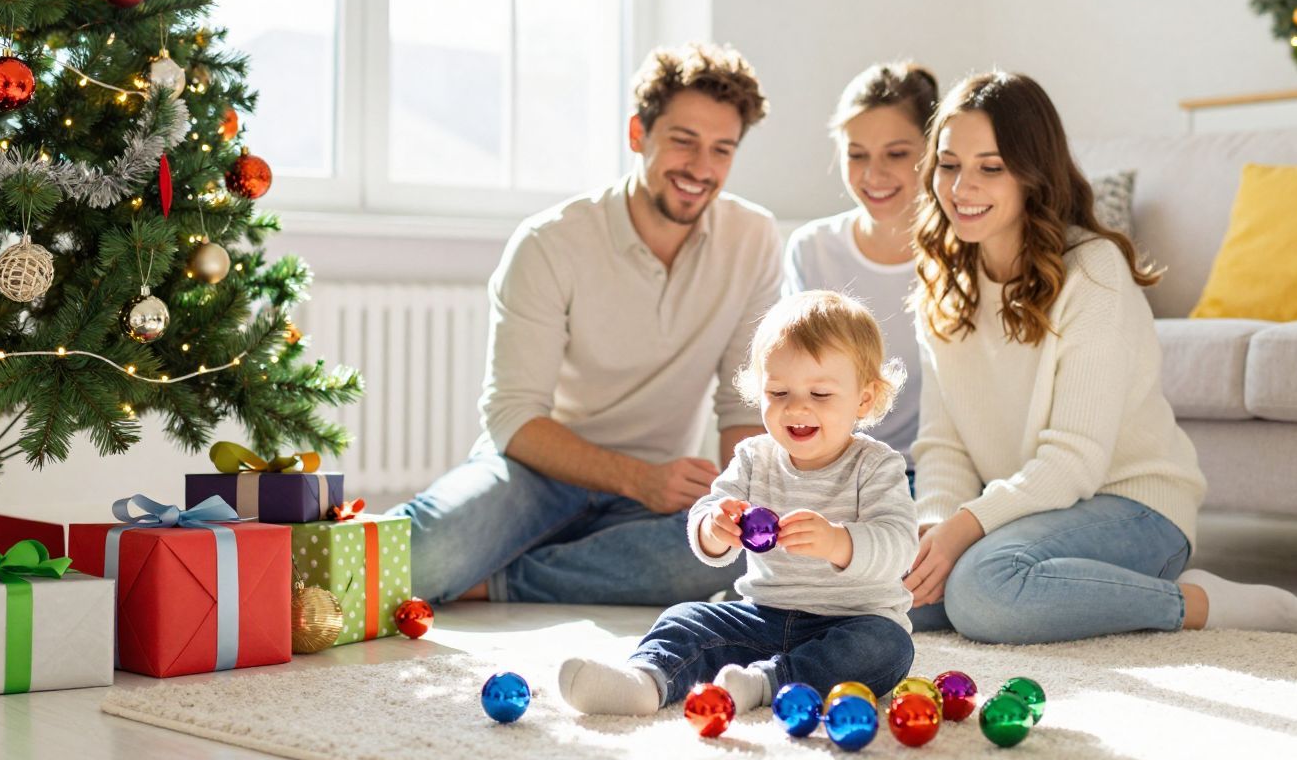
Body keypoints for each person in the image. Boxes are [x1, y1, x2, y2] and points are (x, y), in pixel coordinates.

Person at [904, 71, 1297, 643]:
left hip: (1134, 507)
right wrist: (935, 530)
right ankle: (1024, 576)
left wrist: (967, 530)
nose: (962, 187)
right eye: (949, 165)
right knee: (895, 590)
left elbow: (1073, 461)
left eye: (990, 167)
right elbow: (942, 444)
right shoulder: (942, 285)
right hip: (1026, 517)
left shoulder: (1092, 270)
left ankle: (1199, 602)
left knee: (981, 591)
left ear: (1031, 174)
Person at [386, 43, 784, 607]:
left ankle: (501, 579)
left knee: (748, 549)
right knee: (414, 562)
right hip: (534, 473)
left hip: (658, 486)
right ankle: (544, 558)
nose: (701, 169)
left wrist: (739, 501)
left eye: (722, 150)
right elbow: (513, 417)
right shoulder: (550, 242)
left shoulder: (754, 237)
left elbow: (743, 407)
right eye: (683, 141)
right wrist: (636, 479)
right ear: (637, 134)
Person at [558, 291, 916, 715]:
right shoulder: (753, 456)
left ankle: (766, 683)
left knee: (888, 648)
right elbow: (710, 516)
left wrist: (839, 542)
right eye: (778, 391)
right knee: (686, 616)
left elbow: (900, 545)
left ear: (864, 399)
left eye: (820, 394)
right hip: (761, 617)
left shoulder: (876, 466)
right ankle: (646, 681)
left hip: (851, 621)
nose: (796, 407)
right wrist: (715, 529)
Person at [785, 62, 938, 474]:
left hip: (930, 474)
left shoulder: (958, 257)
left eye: (897, 154)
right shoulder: (812, 250)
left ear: (933, 152)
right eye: (857, 155)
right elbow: (794, 384)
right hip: (832, 471)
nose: (874, 174)